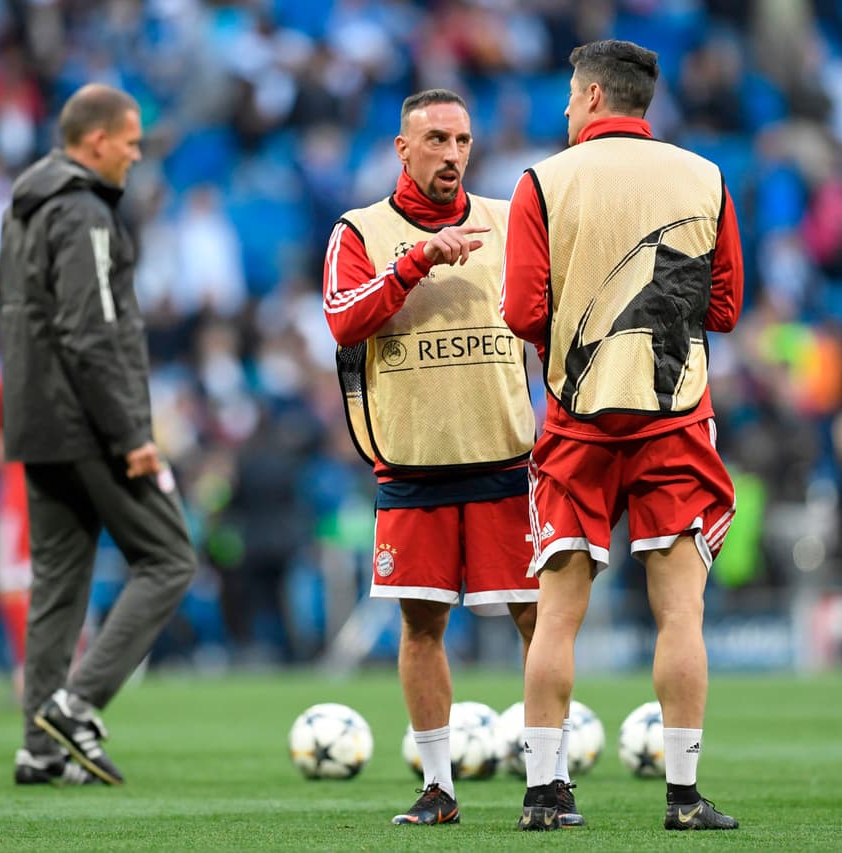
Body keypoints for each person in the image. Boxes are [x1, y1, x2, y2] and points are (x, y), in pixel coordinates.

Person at [501, 40, 743, 831]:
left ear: (596, 95)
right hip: (675, 419)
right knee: (681, 614)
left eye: (572, 98)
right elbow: (727, 307)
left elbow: (522, 313)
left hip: (578, 420)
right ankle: (682, 796)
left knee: (558, 611)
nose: (565, 111)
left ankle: (543, 793)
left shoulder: (544, 179)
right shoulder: (703, 177)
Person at [323, 89, 560, 827]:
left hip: (504, 459)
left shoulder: (506, 216)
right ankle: (438, 785)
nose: (452, 154)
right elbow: (342, 319)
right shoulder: (360, 229)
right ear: (402, 148)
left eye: (461, 139)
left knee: (536, 620)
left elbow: (546, 314)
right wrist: (416, 262)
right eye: (435, 140)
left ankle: (548, 784)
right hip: (414, 465)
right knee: (422, 626)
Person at [0, 83, 197, 787]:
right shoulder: (84, 213)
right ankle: (75, 708)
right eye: (132, 141)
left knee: (58, 579)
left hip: (37, 421)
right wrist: (131, 431)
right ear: (95, 142)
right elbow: (94, 331)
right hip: (88, 423)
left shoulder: (25, 206)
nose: (138, 154)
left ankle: (38, 746)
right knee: (170, 557)